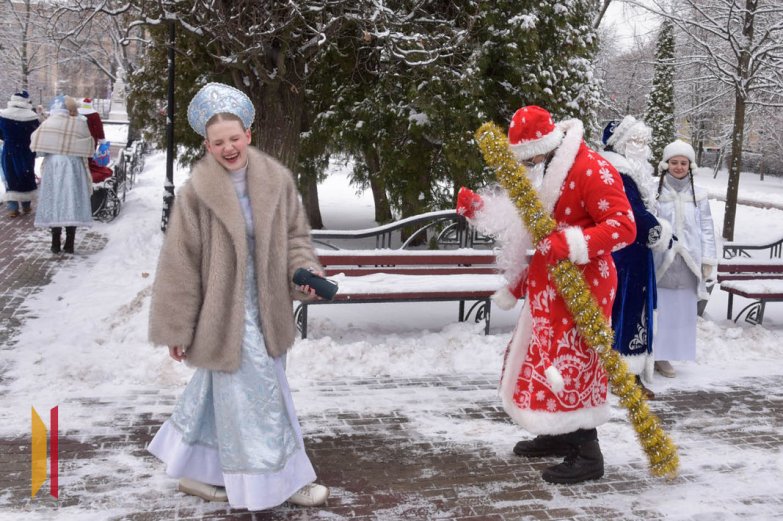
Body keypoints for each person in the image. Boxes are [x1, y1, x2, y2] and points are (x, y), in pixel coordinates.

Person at [146, 82, 330, 511]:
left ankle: (202, 470)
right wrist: (178, 326)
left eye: (234, 138)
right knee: (261, 391)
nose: (228, 147)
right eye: (218, 142)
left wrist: (303, 274)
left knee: (231, 391)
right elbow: (179, 264)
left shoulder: (276, 182)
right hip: (224, 315)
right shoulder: (196, 194)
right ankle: (281, 479)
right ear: (207, 145)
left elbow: (294, 240)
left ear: (248, 134)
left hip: (268, 308)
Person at [463, 105, 636, 484]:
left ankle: (587, 453)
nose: (525, 164)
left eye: (527, 156)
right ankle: (558, 433)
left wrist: (572, 242)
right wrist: (480, 210)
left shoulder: (592, 169)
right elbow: (526, 219)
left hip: (583, 286)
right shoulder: (547, 166)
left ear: (543, 144)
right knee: (542, 357)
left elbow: (624, 227)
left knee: (571, 365)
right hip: (550, 284)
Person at [600, 116, 673, 399]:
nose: (641, 147)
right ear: (620, 144)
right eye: (635, 141)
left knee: (618, 311)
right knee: (630, 311)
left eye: (644, 142)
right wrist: (661, 232)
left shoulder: (625, 170)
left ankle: (615, 370)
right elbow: (632, 213)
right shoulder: (621, 172)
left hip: (622, 249)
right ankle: (627, 375)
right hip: (627, 254)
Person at [652, 140, 717, 377]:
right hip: (662, 260)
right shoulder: (654, 190)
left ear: (690, 166)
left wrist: (708, 259)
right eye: (674, 162)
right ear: (666, 164)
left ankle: (671, 352)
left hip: (689, 261)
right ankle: (657, 354)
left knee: (681, 312)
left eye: (683, 163)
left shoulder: (699, 195)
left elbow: (707, 228)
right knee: (662, 309)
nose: (678, 167)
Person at [30, 96, 94, 254]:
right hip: (74, 165)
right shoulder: (80, 123)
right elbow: (89, 146)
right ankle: (70, 243)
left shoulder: (47, 124)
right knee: (72, 199)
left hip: (54, 165)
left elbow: (39, 149)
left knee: (54, 200)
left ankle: (55, 242)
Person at [0, 90, 40, 218]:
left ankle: (13, 208)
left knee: (10, 176)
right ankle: (26, 206)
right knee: (26, 175)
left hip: (10, 151)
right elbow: (37, 134)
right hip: (26, 151)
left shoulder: (3, 115)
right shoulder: (32, 117)